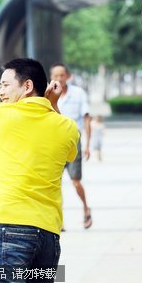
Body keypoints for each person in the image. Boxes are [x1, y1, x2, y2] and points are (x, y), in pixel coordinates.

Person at [0, 58, 79, 283]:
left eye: (5, 84)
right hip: (48, 237)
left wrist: (43, 100)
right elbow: (70, 153)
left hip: (9, 229)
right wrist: (51, 104)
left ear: (27, 86)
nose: (0, 92)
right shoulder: (67, 128)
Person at [49, 63, 93, 229]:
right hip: (54, 144)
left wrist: (88, 145)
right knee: (55, 184)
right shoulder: (47, 94)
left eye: (62, 75)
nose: (59, 78)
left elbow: (87, 118)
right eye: (55, 75)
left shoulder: (78, 93)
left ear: (68, 76)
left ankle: (86, 208)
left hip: (73, 141)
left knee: (76, 181)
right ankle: (59, 221)